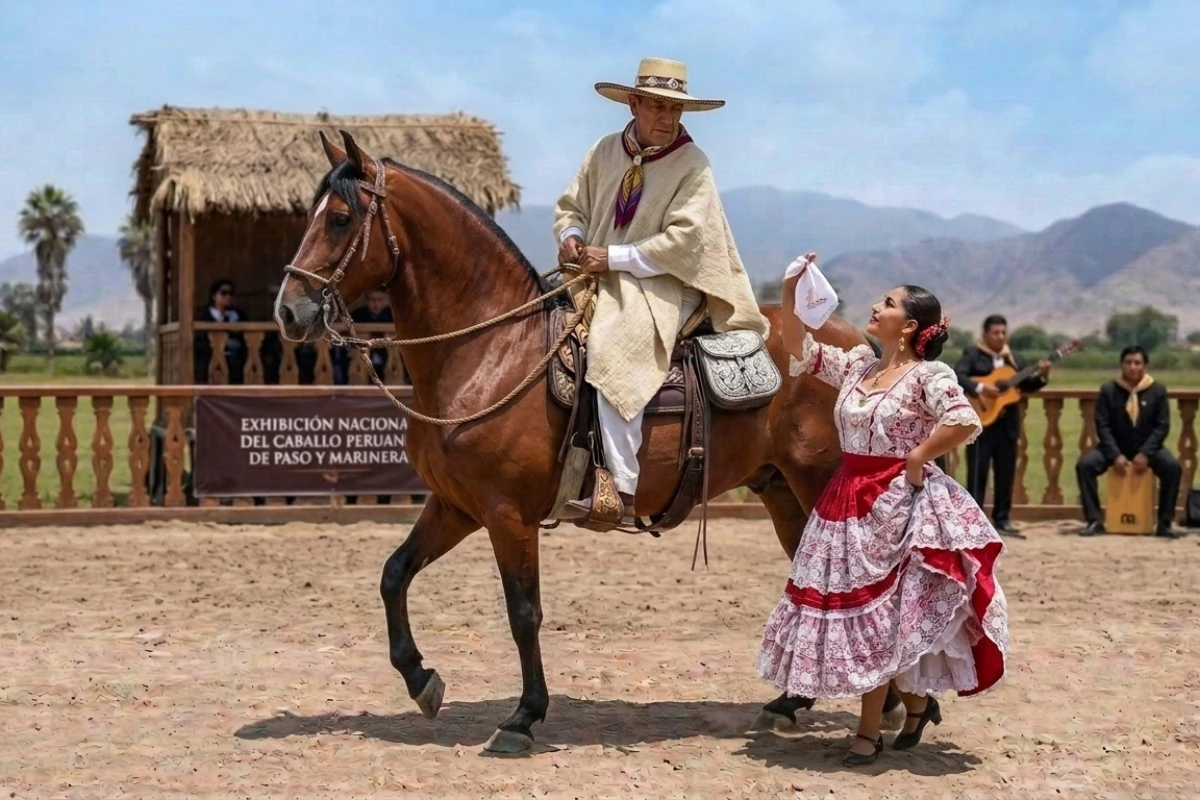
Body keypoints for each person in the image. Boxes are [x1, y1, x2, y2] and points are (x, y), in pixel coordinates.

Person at [757, 263, 1009, 768]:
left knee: (881, 620)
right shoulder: (857, 366)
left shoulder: (929, 376)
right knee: (858, 618)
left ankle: (868, 731)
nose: (876, 307)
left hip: (898, 504)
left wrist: (918, 457)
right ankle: (915, 706)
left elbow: (963, 419)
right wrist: (789, 291)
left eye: (889, 304)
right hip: (844, 501)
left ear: (911, 325)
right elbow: (800, 352)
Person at [552, 57, 767, 524]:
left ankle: (621, 489)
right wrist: (570, 234)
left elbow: (684, 243)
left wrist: (612, 257)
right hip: (599, 273)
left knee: (617, 344)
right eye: (657, 107)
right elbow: (572, 206)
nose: (667, 119)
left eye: (675, 110)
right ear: (632, 103)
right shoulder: (604, 151)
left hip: (672, 281)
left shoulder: (694, 165)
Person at [953, 315, 1051, 536]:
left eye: (1003, 333)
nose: (1000, 337)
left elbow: (1026, 385)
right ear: (985, 335)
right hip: (981, 422)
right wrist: (980, 389)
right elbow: (958, 375)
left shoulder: (1015, 359)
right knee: (977, 472)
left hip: (1007, 425)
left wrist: (1042, 377)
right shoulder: (973, 354)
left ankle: (1002, 518)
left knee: (1005, 473)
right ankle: (974, 519)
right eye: (995, 333)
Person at [1075, 346, 1180, 538]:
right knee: (1085, 465)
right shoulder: (1108, 390)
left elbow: (1161, 426)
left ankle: (1165, 523)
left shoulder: (1157, 390)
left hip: (1148, 448)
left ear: (1145, 366)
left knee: (1172, 467)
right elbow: (1103, 426)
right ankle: (1094, 520)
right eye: (1128, 363)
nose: (1133, 367)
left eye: (1137, 363)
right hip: (1116, 447)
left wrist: (1145, 453)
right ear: (1121, 365)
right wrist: (1115, 454)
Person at [333, 287, 394, 384]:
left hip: (386, 355)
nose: (376, 304)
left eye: (380, 300)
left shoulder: (391, 315)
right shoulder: (358, 314)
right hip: (361, 356)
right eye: (373, 300)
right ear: (367, 301)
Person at [194, 278, 248, 384]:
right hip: (212, 361)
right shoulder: (205, 316)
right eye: (223, 293)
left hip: (235, 362)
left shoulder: (238, 315)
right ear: (214, 296)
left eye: (230, 293)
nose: (228, 297)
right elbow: (200, 342)